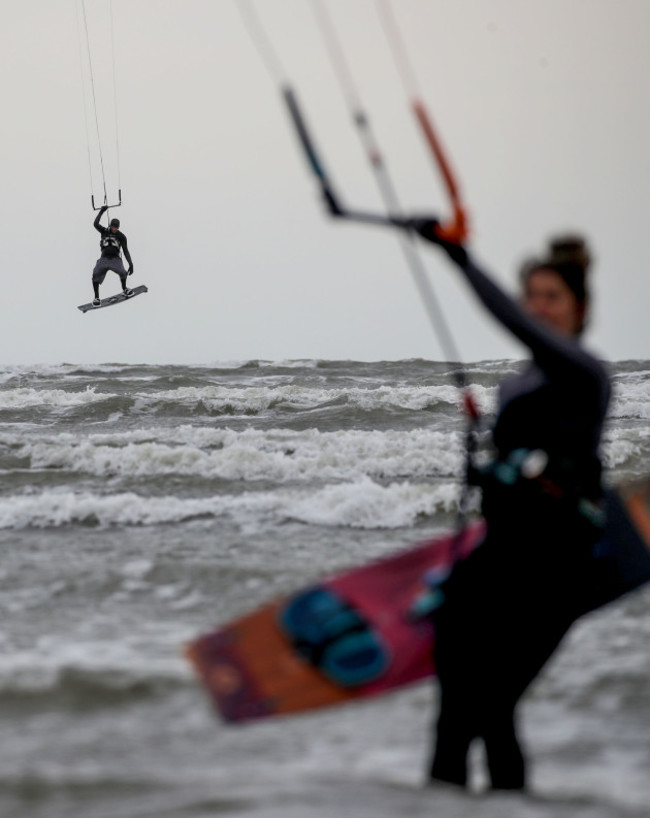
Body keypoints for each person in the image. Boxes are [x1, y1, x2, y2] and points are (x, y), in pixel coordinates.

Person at [404, 222, 611, 791]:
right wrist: (487, 462)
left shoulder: (587, 377)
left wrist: (459, 258)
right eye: (533, 296)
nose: (539, 308)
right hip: (496, 558)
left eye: (553, 297)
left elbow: (515, 324)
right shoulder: (514, 387)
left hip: (556, 568)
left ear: (580, 308)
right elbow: (508, 471)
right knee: (452, 719)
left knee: (493, 707)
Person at [91, 205, 134, 306]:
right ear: (110, 226)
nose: (114, 229)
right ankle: (96, 297)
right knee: (95, 274)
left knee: (123, 272)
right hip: (104, 259)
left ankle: (125, 289)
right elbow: (95, 224)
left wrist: (130, 263)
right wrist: (102, 211)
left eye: (116, 227)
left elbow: (126, 251)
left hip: (115, 259)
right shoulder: (104, 231)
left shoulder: (121, 236)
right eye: (113, 227)